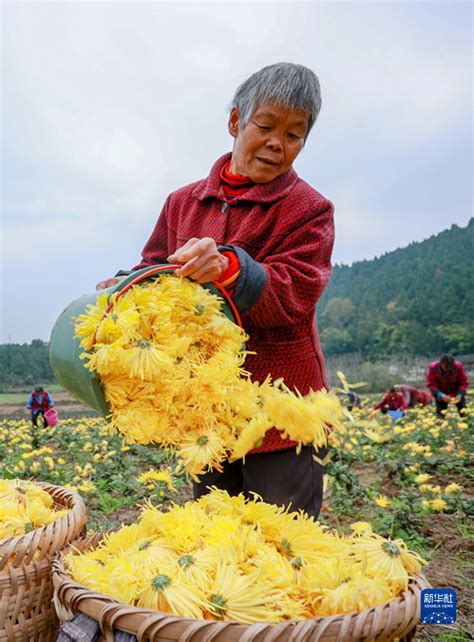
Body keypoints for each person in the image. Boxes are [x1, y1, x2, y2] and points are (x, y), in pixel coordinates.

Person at [96, 63, 334, 519]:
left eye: (293, 135)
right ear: (234, 122)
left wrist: (228, 268)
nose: (276, 143)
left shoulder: (310, 210)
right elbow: (156, 268)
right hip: (206, 404)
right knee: (214, 533)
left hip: (281, 409)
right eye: (265, 126)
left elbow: (294, 293)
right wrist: (127, 284)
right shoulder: (183, 202)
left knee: (280, 536)